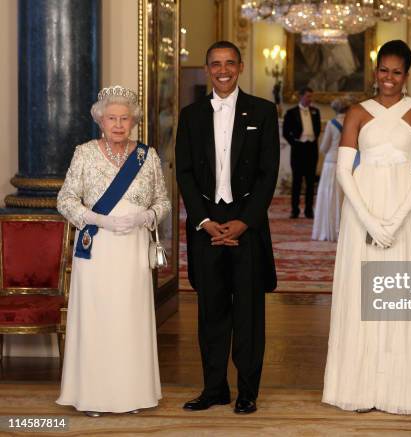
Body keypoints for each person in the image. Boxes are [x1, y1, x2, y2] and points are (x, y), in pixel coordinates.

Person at [322, 40, 411, 414]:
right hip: (362, 211)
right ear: (375, 71)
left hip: (404, 214)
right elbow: (342, 171)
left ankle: (397, 391)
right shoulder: (357, 112)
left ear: (407, 74)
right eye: (383, 70)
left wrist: (395, 221)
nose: (389, 78)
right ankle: (356, 387)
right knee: (360, 295)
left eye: (397, 72)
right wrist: (371, 221)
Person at [175, 41, 279, 415]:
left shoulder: (264, 112)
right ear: (207, 69)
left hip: (247, 225)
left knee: (249, 314)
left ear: (240, 66)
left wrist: (243, 222)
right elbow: (184, 172)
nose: (223, 70)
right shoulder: (190, 115)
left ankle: (247, 392)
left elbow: (269, 173)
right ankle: (214, 388)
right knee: (211, 312)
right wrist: (204, 221)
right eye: (216, 64)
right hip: (206, 225)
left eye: (229, 63)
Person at [56, 85, 171, 416]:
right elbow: (65, 199)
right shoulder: (84, 152)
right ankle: (93, 396)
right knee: (98, 319)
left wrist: (147, 215)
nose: (118, 124)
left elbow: (162, 200)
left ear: (133, 121)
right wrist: (95, 219)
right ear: (100, 121)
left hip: (133, 247)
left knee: (129, 319)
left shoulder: (146, 156)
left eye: (124, 118)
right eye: (111, 118)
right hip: (97, 247)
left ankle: (133, 395)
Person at [311, 96, 352, 242]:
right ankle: (344, 230)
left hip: (331, 163)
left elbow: (324, 147)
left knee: (329, 197)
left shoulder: (331, 123)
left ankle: (328, 230)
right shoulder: (352, 122)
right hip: (347, 163)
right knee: (344, 197)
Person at [282, 86, 321, 218]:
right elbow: (285, 132)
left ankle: (309, 210)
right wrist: (295, 143)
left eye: (311, 96)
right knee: (297, 182)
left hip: (311, 149)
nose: (310, 99)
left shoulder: (316, 111)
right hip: (298, 150)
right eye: (308, 96)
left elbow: (318, 129)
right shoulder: (291, 112)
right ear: (301, 96)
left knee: (310, 182)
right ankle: (295, 210)